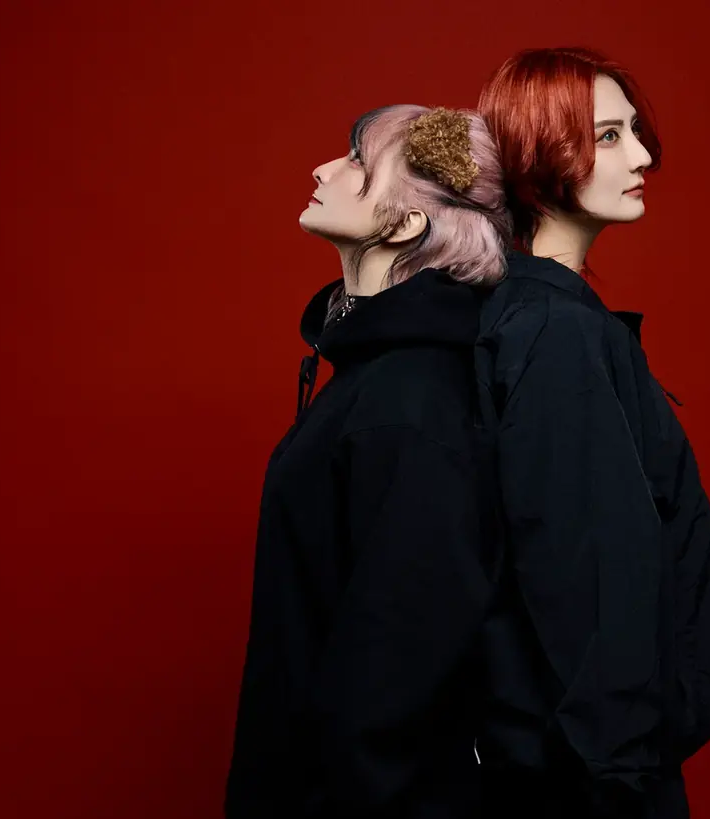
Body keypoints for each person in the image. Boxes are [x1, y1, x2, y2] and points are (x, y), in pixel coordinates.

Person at [473, 47, 710, 818]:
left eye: (633, 132)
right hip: (595, 783)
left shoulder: (539, 316)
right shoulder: (555, 330)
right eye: (607, 136)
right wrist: (621, 771)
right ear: (537, 151)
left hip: (586, 765)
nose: (643, 157)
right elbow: (583, 571)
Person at [224, 105, 512, 819]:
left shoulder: (410, 400)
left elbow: (400, 662)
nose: (323, 169)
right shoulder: (375, 377)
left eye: (357, 161)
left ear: (406, 225)